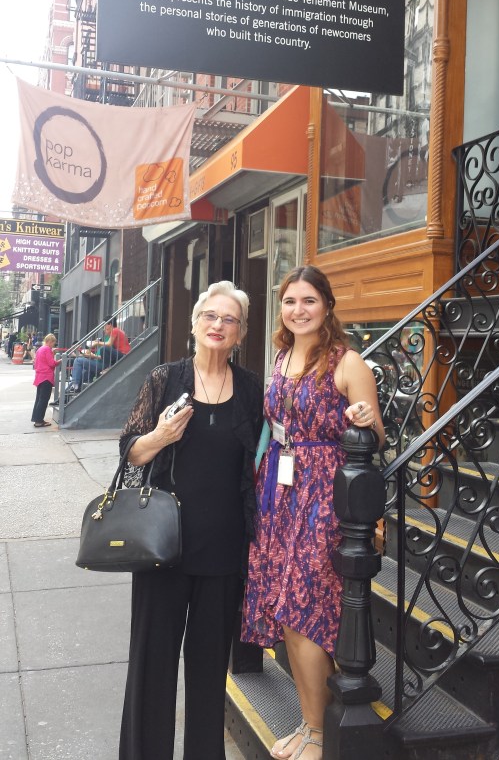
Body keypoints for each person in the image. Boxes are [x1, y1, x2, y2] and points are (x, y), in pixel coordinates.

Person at [242, 265, 385, 760]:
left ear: (326, 306)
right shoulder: (282, 357)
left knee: (302, 611)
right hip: (279, 494)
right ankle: (310, 724)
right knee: (285, 610)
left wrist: (362, 418)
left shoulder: (347, 362)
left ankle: (320, 734)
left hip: (323, 497)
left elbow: (376, 435)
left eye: (308, 301)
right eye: (290, 301)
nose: (298, 310)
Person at [118, 280, 263, 760]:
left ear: (241, 332)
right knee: (152, 666)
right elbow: (130, 452)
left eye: (229, 319)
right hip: (163, 546)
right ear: (194, 323)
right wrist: (160, 435)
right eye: (210, 316)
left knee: (208, 672)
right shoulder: (165, 379)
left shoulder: (250, 389)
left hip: (222, 552)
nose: (218, 325)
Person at [31, 333, 61, 427]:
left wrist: (52, 352)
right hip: (46, 377)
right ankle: (39, 421)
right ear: (50, 341)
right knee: (44, 399)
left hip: (40, 376)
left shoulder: (40, 349)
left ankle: (37, 419)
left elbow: (39, 362)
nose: (53, 345)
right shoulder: (47, 349)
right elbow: (51, 363)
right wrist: (60, 361)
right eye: (53, 342)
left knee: (39, 399)